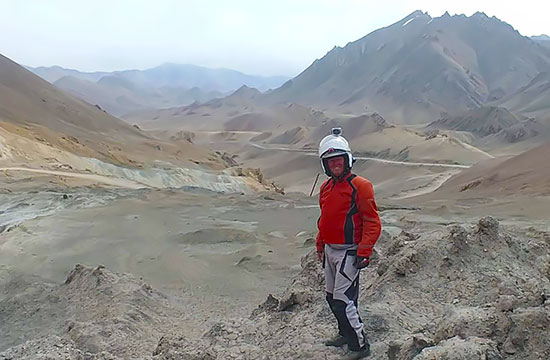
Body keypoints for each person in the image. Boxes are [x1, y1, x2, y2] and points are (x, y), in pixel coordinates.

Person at [315, 128, 381, 359]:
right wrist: (320, 243)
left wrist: (364, 251)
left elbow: (372, 221)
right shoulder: (325, 188)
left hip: (349, 253)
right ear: (325, 165)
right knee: (332, 297)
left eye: (339, 160)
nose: (335, 165)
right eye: (330, 161)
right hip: (331, 251)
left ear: (348, 160)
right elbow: (324, 218)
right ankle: (345, 333)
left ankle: (360, 346)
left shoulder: (360, 186)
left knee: (344, 300)